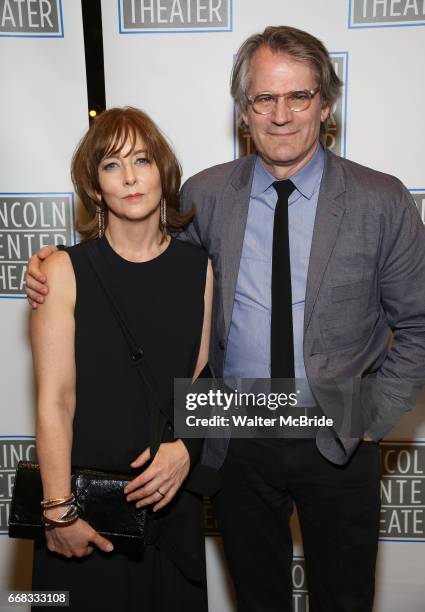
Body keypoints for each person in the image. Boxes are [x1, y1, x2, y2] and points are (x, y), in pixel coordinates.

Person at [26, 26, 425, 612]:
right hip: (235, 437)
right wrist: (52, 265)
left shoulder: (381, 200)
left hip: (339, 438)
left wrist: (370, 416)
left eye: (299, 97)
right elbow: (141, 257)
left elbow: (418, 325)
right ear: (244, 111)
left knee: (345, 601)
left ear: (326, 103)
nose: (281, 115)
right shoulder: (208, 195)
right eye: (265, 98)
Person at [29, 106, 212, 612]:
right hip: (86, 513)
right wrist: (58, 512)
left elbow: (200, 380)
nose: (129, 177)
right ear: (95, 187)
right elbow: (55, 401)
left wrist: (185, 449)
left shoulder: (199, 267)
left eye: (142, 160)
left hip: (171, 512)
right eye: (111, 165)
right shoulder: (63, 270)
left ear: (164, 173)